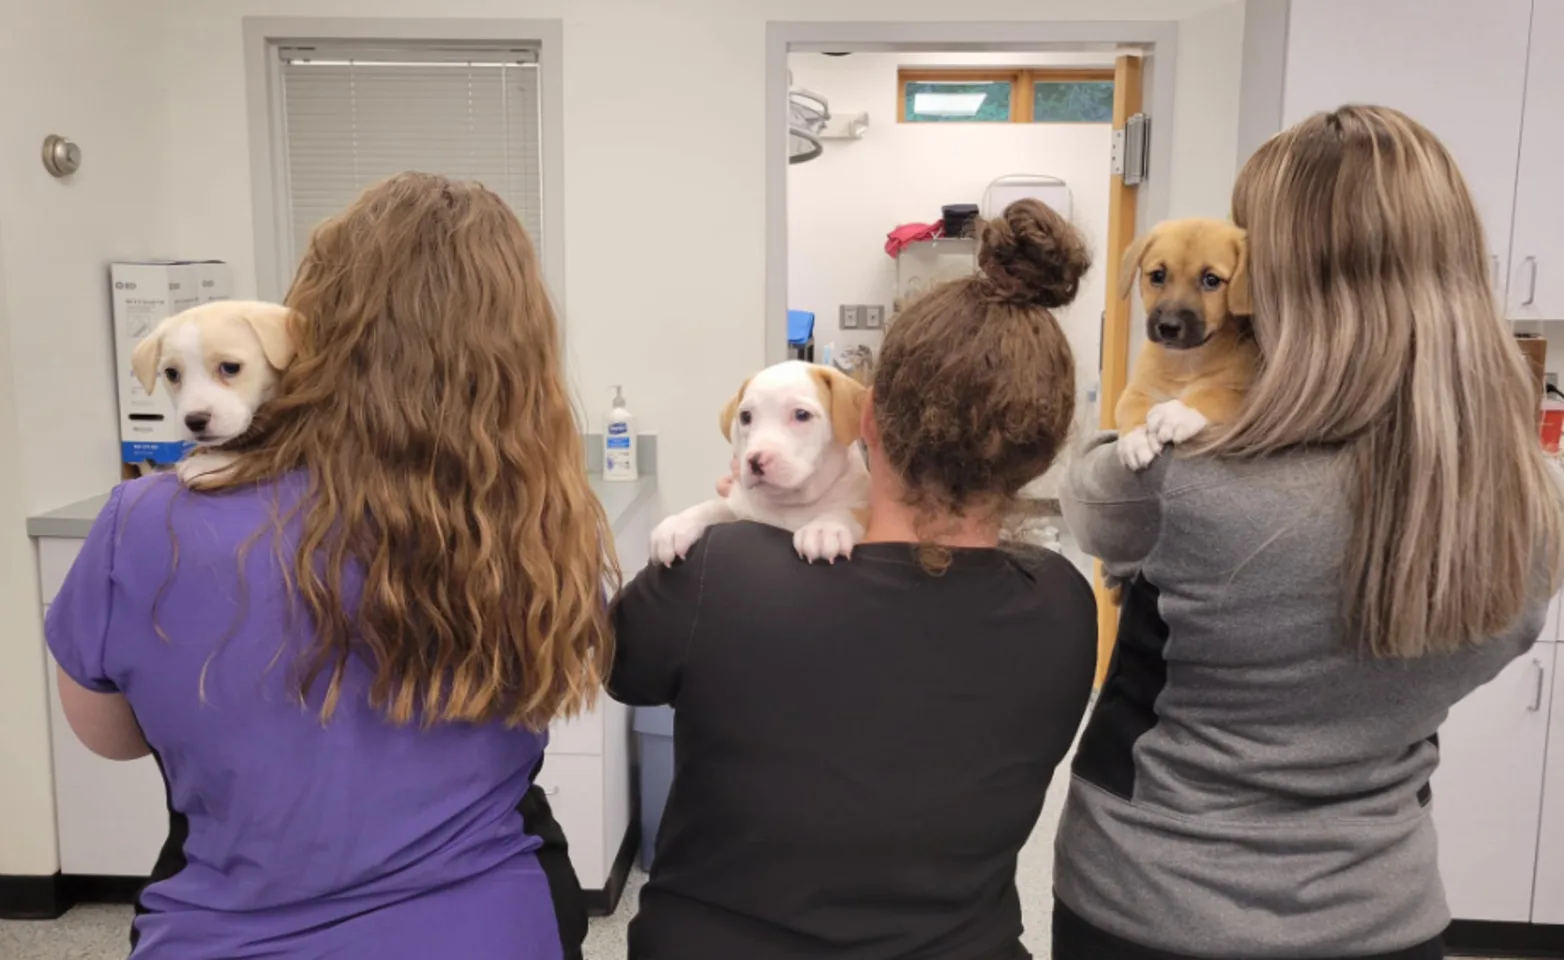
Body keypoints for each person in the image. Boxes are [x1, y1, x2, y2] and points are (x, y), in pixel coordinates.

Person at [46, 172, 612, 959]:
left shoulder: (144, 523)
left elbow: (109, 735)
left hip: (227, 932)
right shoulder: (534, 520)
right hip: (486, 926)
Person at [1056, 105, 1564, 960]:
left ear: (1277, 278)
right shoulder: (1527, 498)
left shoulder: (1184, 475)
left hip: (1156, 905)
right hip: (1379, 912)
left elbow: (1091, 504)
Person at [611, 198, 1099, 960]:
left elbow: (614, 665)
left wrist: (743, 520)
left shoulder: (720, 573)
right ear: (1037, 454)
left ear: (866, 419)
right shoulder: (1065, 602)